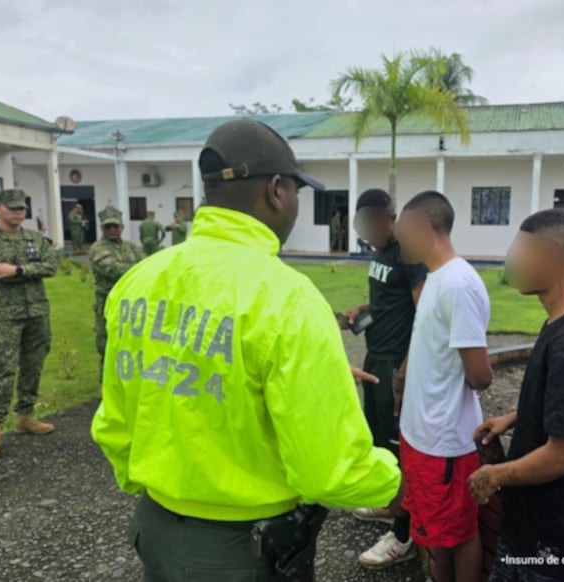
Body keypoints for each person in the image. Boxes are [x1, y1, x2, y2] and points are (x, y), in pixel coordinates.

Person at [91, 118, 404, 582]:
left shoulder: (139, 282)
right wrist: (399, 484)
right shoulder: (286, 297)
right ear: (278, 190)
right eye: (298, 190)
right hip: (244, 550)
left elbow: (116, 422)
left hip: (155, 530)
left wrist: (161, 483)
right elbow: (328, 469)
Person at [468, 208, 564, 582]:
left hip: (559, 551)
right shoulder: (561, 322)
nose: (512, 263)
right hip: (536, 537)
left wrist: (496, 474)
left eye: (522, 253)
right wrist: (515, 419)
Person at [394, 190, 493, 582]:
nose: (396, 236)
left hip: (445, 439)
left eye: (401, 227)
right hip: (422, 435)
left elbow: (480, 375)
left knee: (460, 532)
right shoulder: (436, 277)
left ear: (421, 227)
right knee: (438, 532)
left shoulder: (457, 284)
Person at [339, 188, 426, 570]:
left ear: (390, 217)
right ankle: (392, 505)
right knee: (378, 438)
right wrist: (363, 306)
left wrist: (407, 368)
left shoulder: (410, 256)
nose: (369, 231)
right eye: (364, 224)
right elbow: (390, 299)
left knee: (397, 445)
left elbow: (424, 313)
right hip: (375, 355)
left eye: (374, 222)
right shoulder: (380, 254)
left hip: (395, 361)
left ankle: (404, 537)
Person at [0, 189, 59, 456]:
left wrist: (16, 271)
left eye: (22, 208)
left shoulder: (35, 238)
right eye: (13, 208)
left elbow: (51, 266)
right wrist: (26, 272)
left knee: (33, 364)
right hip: (3, 314)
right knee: (2, 370)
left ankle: (25, 416)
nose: (19, 212)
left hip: (36, 312)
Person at [88, 206, 145, 383]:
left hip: (132, 303)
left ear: (122, 227)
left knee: (132, 344)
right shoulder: (98, 248)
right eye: (108, 227)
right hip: (108, 305)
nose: (112, 230)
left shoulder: (131, 247)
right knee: (108, 347)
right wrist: (139, 270)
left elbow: (147, 264)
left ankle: (128, 384)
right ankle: (105, 389)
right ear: (101, 228)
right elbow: (113, 270)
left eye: (115, 226)